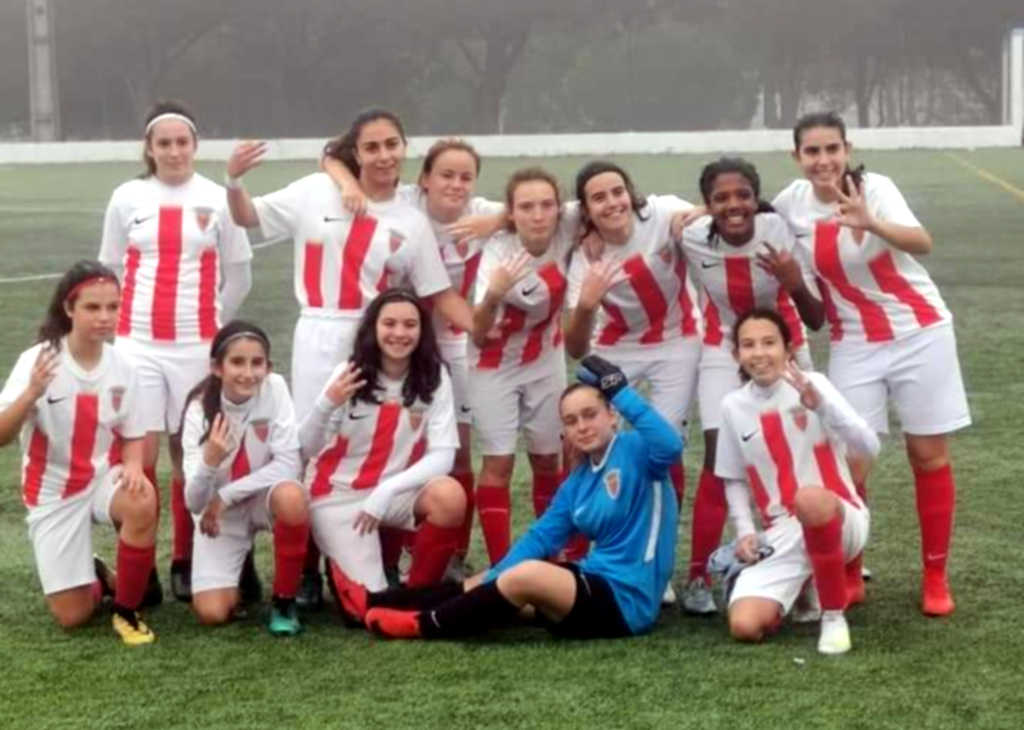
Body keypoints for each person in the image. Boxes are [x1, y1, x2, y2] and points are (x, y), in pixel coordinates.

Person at [226, 109, 473, 604]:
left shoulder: (411, 220)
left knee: (376, 444)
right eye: (372, 147)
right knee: (308, 443)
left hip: (378, 338)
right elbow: (247, 216)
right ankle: (306, 570)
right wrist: (233, 179)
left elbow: (437, 291)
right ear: (355, 152)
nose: (383, 156)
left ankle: (379, 558)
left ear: (404, 148)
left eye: (391, 145)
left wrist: (483, 327)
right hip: (318, 333)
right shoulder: (314, 191)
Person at [325, 355, 682, 640]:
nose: (582, 426)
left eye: (590, 415)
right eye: (571, 421)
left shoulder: (638, 451)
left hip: (629, 602)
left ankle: (423, 625)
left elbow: (671, 445)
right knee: (489, 579)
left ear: (612, 416)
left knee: (524, 576)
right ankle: (375, 601)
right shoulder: (579, 481)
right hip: (594, 583)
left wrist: (621, 391)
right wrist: (495, 574)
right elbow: (542, 537)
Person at [772, 111, 971, 616]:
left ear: (847, 149)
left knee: (927, 453)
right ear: (796, 156)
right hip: (854, 342)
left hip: (920, 331)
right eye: (812, 151)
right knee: (850, 458)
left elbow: (922, 242)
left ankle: (935, 577)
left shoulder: (874, 188)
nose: (823, 160)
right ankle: (849, 572)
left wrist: (871, 222)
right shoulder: (790, 204)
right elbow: (746, 215)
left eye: (832, 149)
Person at [323, 138, 504, 578]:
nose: (456, 184)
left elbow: (551, 207)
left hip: (455, 344)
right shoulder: (403, 203)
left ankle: (453, 554)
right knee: (400, 448)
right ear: (423, 179)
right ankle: (398, 550)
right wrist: (347, 183)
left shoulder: (482, 211)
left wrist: (500, 219)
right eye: (446, 175)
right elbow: (331, 155)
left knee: (456, 452)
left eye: (465, 177)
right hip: (401, 342)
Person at [99, 100, 254, 602]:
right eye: (163, 143)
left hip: (196, 346)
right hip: (137, 346)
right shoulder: (127, 197)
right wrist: (120, 330)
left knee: (190, 452)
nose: (173, 151)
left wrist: (214, 327)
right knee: (137, 455)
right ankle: (139, 564)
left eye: (181, 142)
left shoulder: (215, 198)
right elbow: (110, 269)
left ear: (195, 145)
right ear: (149, 148)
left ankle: (186, 561)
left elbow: (239, 274)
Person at [677, 157, 824, 614]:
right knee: (717, 454)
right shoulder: (690, 235)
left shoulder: (780, 230)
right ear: (707, 204)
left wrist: (792, 281)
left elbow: (816, 316)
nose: (733, 205)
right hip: (722, 349)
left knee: (804, 454)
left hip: (785, 347)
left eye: (742, 195)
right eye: (720, 198)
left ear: (757, 199)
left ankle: (819, 560)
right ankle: (699, 575)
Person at [0, 261, 159, 645]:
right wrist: (31, 394)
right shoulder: (38, 361)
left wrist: (134, 465)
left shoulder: (123, 366)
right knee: (73, 616)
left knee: (142, 498)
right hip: (52, 490)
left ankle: (127, 610)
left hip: (101, 478)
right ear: (69, 309)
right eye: (92, 307)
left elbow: (133, 434)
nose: (104, 317)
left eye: (112, 307)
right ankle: (98, 575)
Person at [564, 160, 700, 602]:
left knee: (663, 443)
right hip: (615, 346)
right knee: (586, 436)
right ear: (585, 210)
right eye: (598, 198)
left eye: (617, 192)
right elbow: (576, 348)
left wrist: (693, 217)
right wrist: (587, 305)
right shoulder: (584, 255)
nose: (612, 203)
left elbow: (703, 216)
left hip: (677, 341)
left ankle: (659, 564)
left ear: (631, 192)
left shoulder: (662, 213)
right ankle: (578, 555)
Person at [716, 309, 876, 654]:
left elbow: (868, 446)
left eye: (769, 343)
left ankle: (833, 617)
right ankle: (804, 586)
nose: (759, 353)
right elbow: (733, 478)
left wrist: (823, 407)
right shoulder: (732, 405)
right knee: (744, 626)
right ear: (736, 355)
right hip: (783, 533)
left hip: (839, 518)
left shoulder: (813, 383)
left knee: (809, 499)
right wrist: (745, 531)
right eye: (748, 345)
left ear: (788, 349)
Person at [299, 289, 467, 595]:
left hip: (393, 492)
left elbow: (443, 456)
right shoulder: (348, 373)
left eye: (410, 325)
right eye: (389, 324)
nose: (399, 333)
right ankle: (337, 567)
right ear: (373, 328)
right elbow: (307, 448)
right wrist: (326, 404)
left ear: (422, 331)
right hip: (338, 493)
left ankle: (416, 595)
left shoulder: (434, 375)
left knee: (449, 496)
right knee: (367, 605)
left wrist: (386, 490)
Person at [468, 167, 576, 565]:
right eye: (526, 207)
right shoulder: (498, 253)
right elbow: (479, 333)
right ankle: (502, 567)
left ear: (559, 208)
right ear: (511, 213)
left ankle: (553, 556)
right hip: (493, 364)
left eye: (547, 205)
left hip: (546, 358)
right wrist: (493, 295)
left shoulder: (569, 225)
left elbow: (612, 204)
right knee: (499, 461)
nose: (538, 215)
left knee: (549, 458)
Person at [181, 321, 311, 635]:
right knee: (212, 613)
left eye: (257, 363)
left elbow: (289, 463)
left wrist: (226, 495)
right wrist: (210, 462)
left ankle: (284, 601)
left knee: (292, 497)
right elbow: (194, 502)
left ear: (268, 366)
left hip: (258, 498)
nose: (248, 373)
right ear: (217, 367)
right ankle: (241, 569)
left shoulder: (275, 387)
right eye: (237, 362)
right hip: (217, 515)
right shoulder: (199, 409)